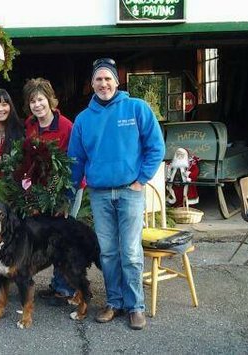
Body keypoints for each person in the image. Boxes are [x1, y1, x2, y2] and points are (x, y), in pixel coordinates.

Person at [67, 58, 165, 330]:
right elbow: (75, 160)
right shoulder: (84, 120)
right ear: (92, 84)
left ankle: (135, 306)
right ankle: (114, 302)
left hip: (129, 193)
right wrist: (67, 193)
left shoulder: (136, 108)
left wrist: (141, 179)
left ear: (117, 81)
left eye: (108, 78)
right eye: (98, 79)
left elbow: (156, 147)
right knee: (108, 252)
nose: (103, 83)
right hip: (99, 195)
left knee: (131, 252)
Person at [22, 77, 76, 305]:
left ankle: (66, 288)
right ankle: (57, 284)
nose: (37, 105)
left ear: (50, 100)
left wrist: (65, 195)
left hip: (64, 188)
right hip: (41, 190)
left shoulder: (65, 126)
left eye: (41, 99)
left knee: (63, 238)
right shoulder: (30, 125)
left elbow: (73, 162)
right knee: (49, 237)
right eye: (33, 101)